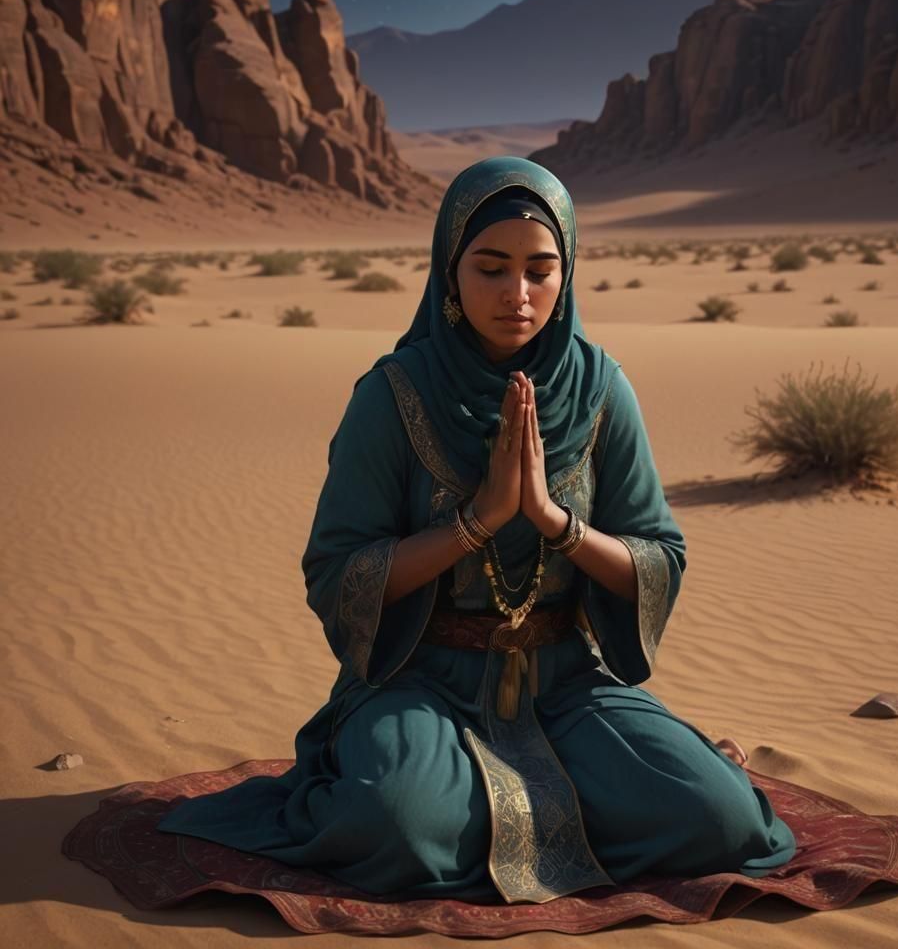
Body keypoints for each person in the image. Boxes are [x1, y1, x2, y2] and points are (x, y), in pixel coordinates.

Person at [156, 156, 797, 905]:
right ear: (449, 269)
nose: (517, 295)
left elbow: (658, 560)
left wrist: (555, 525)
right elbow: (340, 570)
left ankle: (638, 779)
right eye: (491, 268)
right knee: (397, 828)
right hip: (420, 676)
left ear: (567, 276)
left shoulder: (601, 390)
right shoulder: (392, 395)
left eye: (540, 270)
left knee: (720, 821)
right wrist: (476, 524)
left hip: (566, 679)